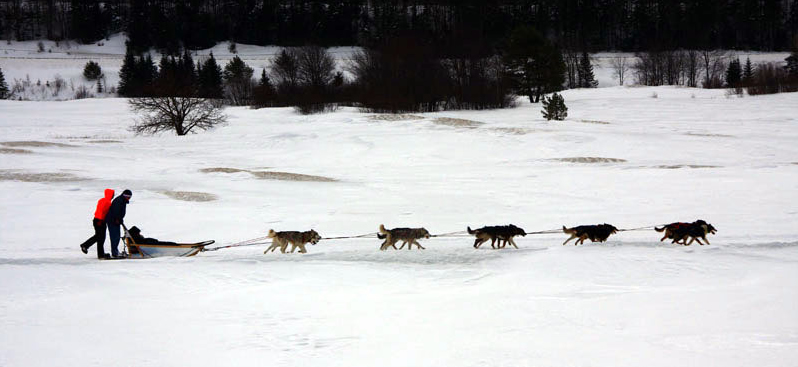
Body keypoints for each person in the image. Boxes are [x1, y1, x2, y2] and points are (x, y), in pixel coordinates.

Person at [79, 189, 114, 259]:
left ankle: (100, 254)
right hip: (100, 221)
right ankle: (86, 246)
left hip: (98, 220)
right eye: (113, 194)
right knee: (100, 237)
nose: (113, 195)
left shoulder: (102, 200)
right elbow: (101, 211)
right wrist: (100, 220)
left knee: (100, 237)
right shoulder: (107, 202)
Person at [105, 189, 132, 258]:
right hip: (112, 220)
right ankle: (115, 253)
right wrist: (117, 219)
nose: (129, 198)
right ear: (124, 195)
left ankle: (115, 251)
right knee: (115, 236)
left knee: (117, 236)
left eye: (130, 197)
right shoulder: (119, 200)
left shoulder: (123, 200)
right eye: (128, 197)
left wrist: (120, 219)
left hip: (116, 220)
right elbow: (115, 211)